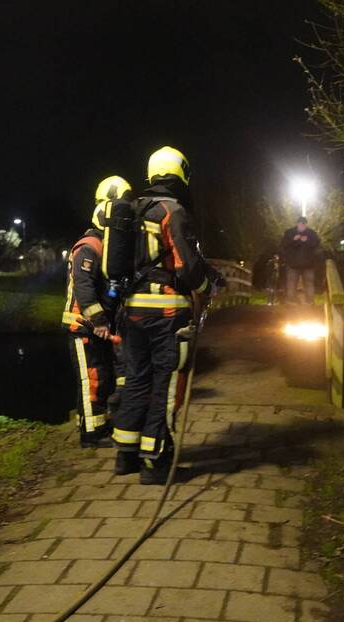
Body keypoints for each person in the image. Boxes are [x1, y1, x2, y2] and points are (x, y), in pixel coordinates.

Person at [113, 147, 217, 483]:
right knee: (166, 384)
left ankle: (126, 455)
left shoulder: (131, 210)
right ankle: (155, 463)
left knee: (136, 379)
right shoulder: (173, 211)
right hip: (167, 311)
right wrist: (208, 286)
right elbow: (187, 268)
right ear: (182, 174)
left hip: (131, 312)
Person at [63, 175, 132, 447]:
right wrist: (100, 319)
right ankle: (90, 435)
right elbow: (83, 285)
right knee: (91, 379)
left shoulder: (108, 247)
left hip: (96, 327)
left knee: (102, 378)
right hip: (81, 326)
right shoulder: (90, 246)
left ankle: (98, 426)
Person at [279, 216, 321, 304]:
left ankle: (309, 303)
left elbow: (317, 246)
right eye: (300, 224)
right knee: (291, 284)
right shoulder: (289, 233)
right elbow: (283, 245)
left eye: (303, 224)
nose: (301, 226)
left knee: (308, 284)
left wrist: (307, 241)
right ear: (297, 224)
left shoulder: (312, 234)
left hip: (308, 265)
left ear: (306, 225)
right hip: (292, 264)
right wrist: (293, 240)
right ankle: (291, 302)